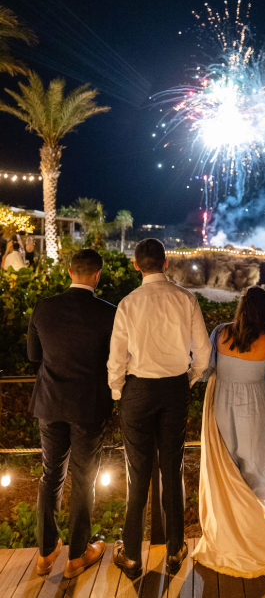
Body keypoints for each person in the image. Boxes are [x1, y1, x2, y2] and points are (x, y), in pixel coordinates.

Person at [108, 238, 211, 579]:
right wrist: (191, 377)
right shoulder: (186, 298)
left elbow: (116, 358)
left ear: (136, 265)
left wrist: (118, 391)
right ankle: (175, 549)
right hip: (174, 389)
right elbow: (204, 351)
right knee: (172, 467)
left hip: (137, 390)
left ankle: (133, 556)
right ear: (166, 263)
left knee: (138, 475)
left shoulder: (128, 303)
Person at [193, 287, 265, 577]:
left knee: (226, 470)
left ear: (240, 308)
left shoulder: (220, 333)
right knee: (257, 471)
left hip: (222, 404)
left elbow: (208, 368)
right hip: (255, 406)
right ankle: (255, 538)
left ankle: (228, 536)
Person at [27, 249, 116, 579]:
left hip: (49, 402)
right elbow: (115, 360)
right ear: (97, 275)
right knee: (83, 478)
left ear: (69, 272)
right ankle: (77, 556)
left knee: (51, 475)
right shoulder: (109, 313)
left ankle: (46, 551)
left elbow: (34, 357)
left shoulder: (44, 308)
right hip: (88, 405)